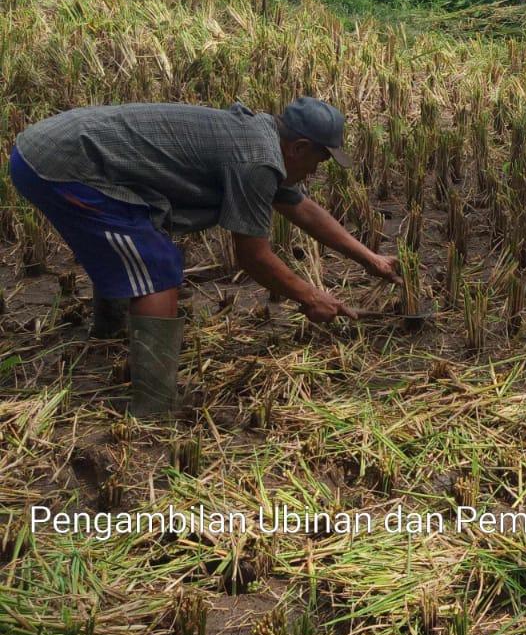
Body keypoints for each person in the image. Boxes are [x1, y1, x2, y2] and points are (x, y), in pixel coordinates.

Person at [7, 97, 398, 417]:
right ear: (297, 148)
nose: (316, 170)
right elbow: (253, 257)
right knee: (157, 268)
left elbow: (299, 206)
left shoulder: (260, 139)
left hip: (51, 150)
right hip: (60, 164)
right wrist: (311, 297)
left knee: (133, 249)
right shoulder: (257, 161)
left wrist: (369, 259)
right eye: (320, 160)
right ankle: (153, 408)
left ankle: (110, 334)